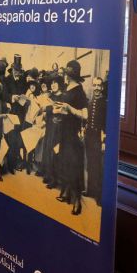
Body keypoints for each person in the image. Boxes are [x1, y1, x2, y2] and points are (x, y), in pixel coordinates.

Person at [54, 60, 89, 215]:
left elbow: (84, 115)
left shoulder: (80, 92)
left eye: (67, 75)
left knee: (74, 167)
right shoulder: (68, 88)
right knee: (65, 164)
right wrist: (59, 113)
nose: (65, 78)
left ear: (72, 76)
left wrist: (69, 108)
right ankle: (68, 194)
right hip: (64, 132)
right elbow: (66, 110)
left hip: (73, 135)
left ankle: (77, 202)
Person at [84, 76, 106, 206]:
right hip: (89, 135)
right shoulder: (90, 101)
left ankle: (99, 195)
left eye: (99, 86)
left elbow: (106, 124)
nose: (96, 88)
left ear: (102, 87)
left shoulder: (105, 103)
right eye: (95, 85)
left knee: (98, 165)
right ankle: (90, 190)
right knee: (90, 163)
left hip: (99, 136)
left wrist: (104, 141)